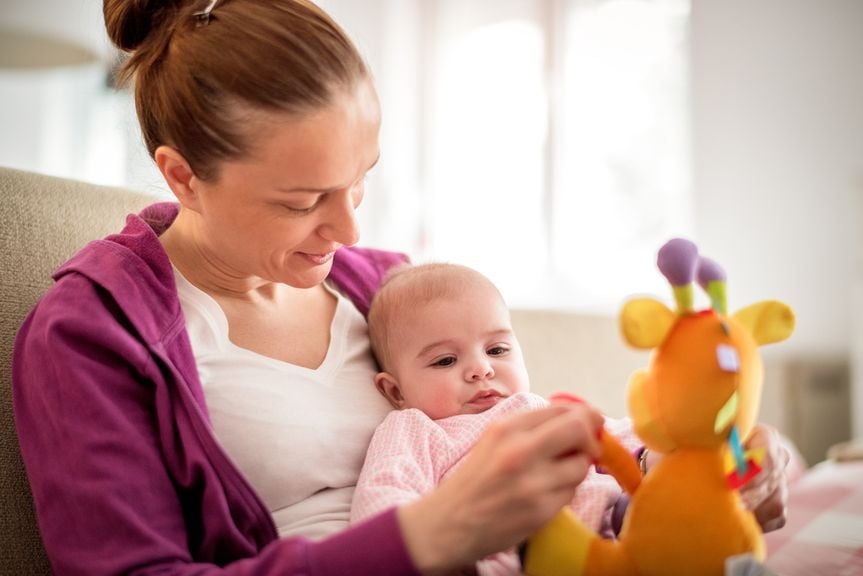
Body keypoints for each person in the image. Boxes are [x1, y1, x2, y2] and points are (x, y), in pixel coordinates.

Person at [10, 0, 789, 574]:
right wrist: (430, 536)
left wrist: (708, 457)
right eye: (301, 201)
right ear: (181, 175)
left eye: (360, 182)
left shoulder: (384, 290)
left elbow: (545, 426)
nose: (348, 231)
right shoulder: (92, 333)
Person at [352, 262, 639, 575]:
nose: (481, 368)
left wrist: (656, 451)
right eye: (446, 360)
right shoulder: (416, 429)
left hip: (614, 541)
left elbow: (617, 437)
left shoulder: (538, 408)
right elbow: (382, 501)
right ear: (395, 392)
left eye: (497, 350)